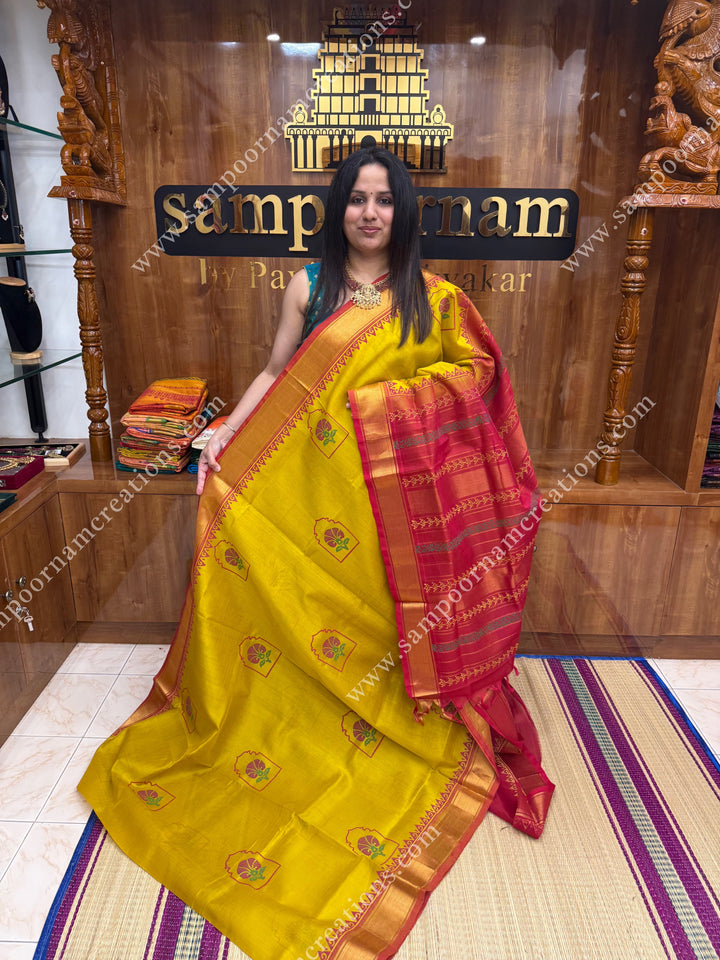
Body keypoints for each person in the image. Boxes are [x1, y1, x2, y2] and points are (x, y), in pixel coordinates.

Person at [78, 147, 553, 960]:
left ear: (403, 212)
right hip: (312, 494)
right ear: (338, 209)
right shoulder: (310, 287)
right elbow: (276, 371)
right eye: (357, 199)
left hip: (389, 509)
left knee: (376, 626)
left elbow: (476, 381)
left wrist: (383, 407)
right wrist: (227, 433)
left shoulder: (434, 300)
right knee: (250, 547)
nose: (370, 213)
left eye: (385, 200)